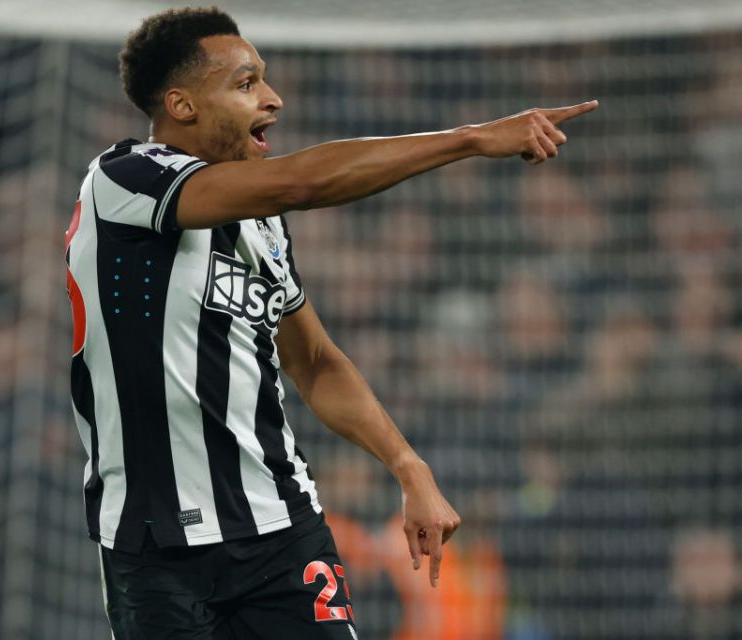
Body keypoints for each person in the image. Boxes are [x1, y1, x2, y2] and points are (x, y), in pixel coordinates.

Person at [63, 7, 597, 639]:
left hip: (282, 531)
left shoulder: (261, 224)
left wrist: (408, 465)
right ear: (181, 105)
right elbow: (302, 183)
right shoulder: (123, 180)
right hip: (154, 552)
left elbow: (313, 360)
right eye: (245, 84)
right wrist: (472, 139)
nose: (272, 99)